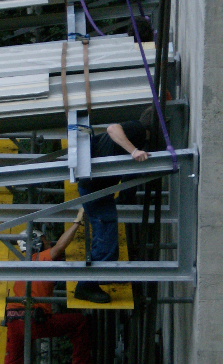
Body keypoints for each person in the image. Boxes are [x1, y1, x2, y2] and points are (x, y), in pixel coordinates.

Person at [73, 107, 152, 304]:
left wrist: (125, 197)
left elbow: (129, 173)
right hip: (94, 189)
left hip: (99, 189)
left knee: (105, 235)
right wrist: (134, 151)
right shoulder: (137, 129)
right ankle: (85, 286)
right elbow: (112, 128)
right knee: (107, 238)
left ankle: (91, 280)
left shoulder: (139, 136)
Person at [4, 210, 92, 364]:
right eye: (45, 240)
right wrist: (77, 223)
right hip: (33, 319)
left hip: (13, 320)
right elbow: (60, 246)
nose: (49, 242)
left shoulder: (19, 265)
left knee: (14, 360)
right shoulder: (40, 259)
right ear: (37, 244)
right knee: (79, 322)